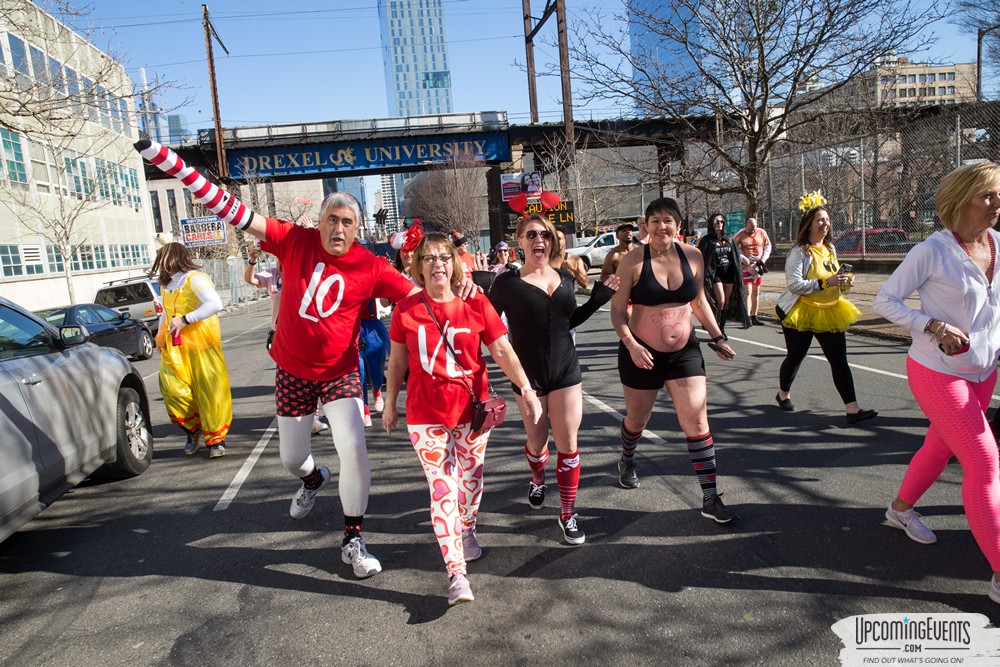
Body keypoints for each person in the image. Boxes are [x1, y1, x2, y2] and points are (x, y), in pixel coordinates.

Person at [134, 137, 479, 580]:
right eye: (332, 220)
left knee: (355, 449)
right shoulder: (292, 240)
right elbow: (228, 206)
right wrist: (171, 162)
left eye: (348, 222)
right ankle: (314, 479)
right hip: (293, 372)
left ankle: (353, 538)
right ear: (319, 223)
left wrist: (465, 283)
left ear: (357, 229)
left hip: (339, 374)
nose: (339, 229)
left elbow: (425, 298)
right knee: (291, 458)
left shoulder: (370, 266)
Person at [383, 232, 542, 606]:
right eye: (428, 258)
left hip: (472, 409)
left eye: (443, 257)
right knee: (442, 491)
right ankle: (456, 573)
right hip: (425, 414)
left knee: (470, 480)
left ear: (455, 263)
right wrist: (390, 402)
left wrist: (526, 389)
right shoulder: (406, 310)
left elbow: (501, 348)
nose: (437, 264)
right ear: (418, 267)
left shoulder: (475, 303)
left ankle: (468, 526)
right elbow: (397, 362)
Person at [872, 162, 1000, 605]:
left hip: (984, 372)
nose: (998, 204)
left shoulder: (999, 244)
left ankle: (899, 511)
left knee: (939, 447)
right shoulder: (933, 250)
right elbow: (885, 300)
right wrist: (932, 325)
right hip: (937, 370)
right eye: (989, 196)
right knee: (984, 462)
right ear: (963, 198)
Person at [490, 213, 620, 545]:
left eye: (545, 235)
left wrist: (596, 301)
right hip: (528, 378)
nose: (539, 240)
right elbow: (487, 327)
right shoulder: (506, 283)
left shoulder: (563, 279)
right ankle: (537, 478)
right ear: (520, 241)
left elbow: (568, 321)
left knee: (569, 444)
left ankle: (567, 513)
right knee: (537, 443)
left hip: (566, 371)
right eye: (531, 234)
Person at [610, 197, 738, 523]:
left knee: (696, 420)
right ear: (647, 227)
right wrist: (631, 344)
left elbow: (699, 302)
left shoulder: (692, 256)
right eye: (655, 221)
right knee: (637, 421)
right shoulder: (633, 262)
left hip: (684, 353)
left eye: (668, 220)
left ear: (678, 225)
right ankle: (627, 458)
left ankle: (710, 497)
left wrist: (717, 335)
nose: (661, 226)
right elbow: (616, 310)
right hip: (642, 354)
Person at [774, 193, 877, 423]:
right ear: (809, 224)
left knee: (839, 360)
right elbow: (794, 284)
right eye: (820, 219)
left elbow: (835, 281)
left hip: (830, 311)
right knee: (796, 356)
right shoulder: (798, 252)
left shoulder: (830, 248)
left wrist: (845, 282)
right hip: (802, 311)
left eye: (827, 220)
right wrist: (825, 282)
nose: (825, 224)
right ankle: (783, 394)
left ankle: (853, 409)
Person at [152, 242, 232, 459]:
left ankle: (216, 439)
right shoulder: (167, 284)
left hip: (201, 345)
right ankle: (193, 429)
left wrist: (186, 319)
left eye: (163, 259)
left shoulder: (195, 278)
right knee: (172, 390)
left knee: (210, 390)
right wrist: (160, 336)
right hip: (175, 347)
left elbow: (215, 303)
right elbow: (166, 313)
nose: (160, 264)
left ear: (173, 258)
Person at [244, 247, 328, 434]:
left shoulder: (303, 273)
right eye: (280, 259)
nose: (282, 263)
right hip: (280, 334)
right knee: (289, 375)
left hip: (304, 331)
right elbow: (250, 279)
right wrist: (251, 261)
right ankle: (297, 417)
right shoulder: (272, 276)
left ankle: (312, 416)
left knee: (307, 372)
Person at [697, 213, 749, 332]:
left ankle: (722, 327)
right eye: (716, 222)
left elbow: (735, 255)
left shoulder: (729, 238)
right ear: (712, 223)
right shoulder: (707, 240)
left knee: (726, 302)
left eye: (721, 222)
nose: (719, 224)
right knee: (720, 300)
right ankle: (715, 326)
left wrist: (744, 263)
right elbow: (701, 257)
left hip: (728, 272)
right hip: (715, 274)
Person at [733, 217, 772, 326]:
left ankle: (755, 316)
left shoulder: (762, 232)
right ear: (745, 226)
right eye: (750, 230)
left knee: (756, 291)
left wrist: (763, 259)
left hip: (758, 265)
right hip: (746, 265)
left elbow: (768, 246)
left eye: (754, 229)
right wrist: (742, 258)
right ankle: (747, 317)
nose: (752, 232)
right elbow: (733, 247)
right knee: (748, 291)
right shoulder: (740, 234)